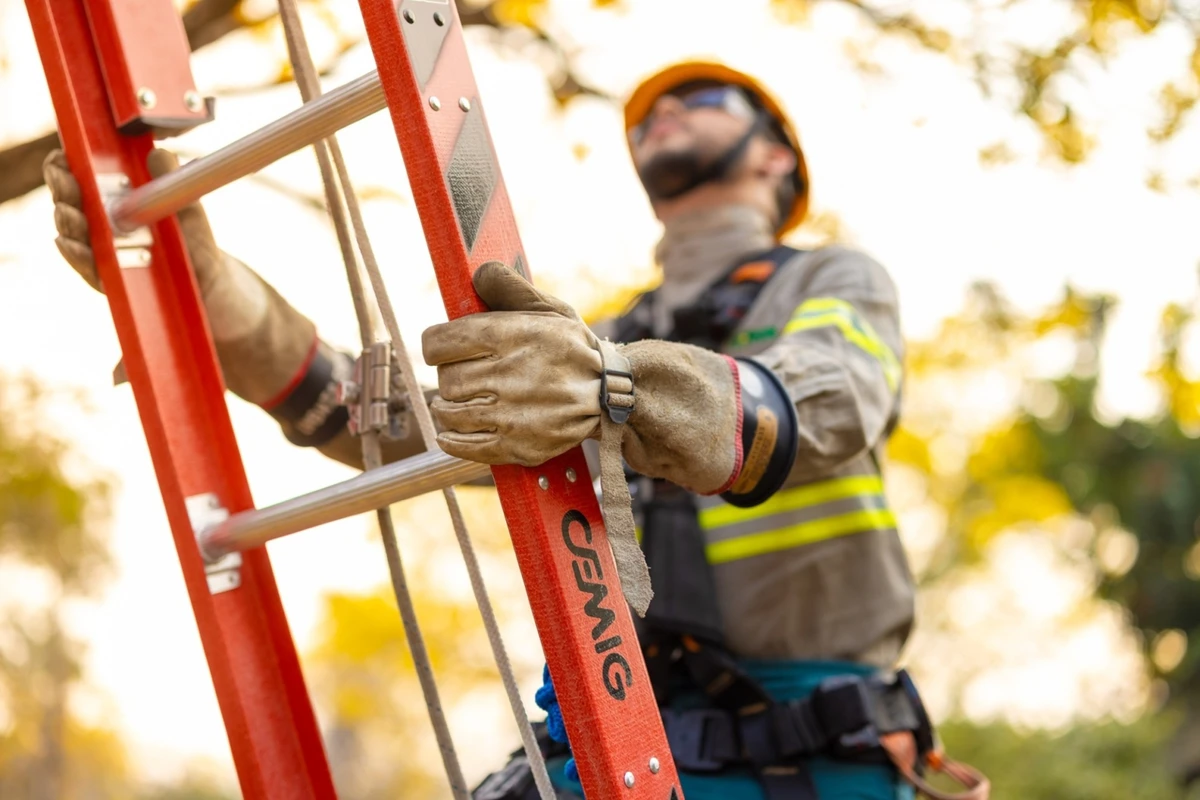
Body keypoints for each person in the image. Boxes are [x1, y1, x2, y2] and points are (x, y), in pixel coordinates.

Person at [45, 59, 985, 800]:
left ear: (777, 156)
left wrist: (612, 388)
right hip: (627, 728)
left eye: (698, 100)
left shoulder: (831, 283)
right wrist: (233, 316)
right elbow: (420, 429)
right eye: (643, 117)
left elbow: (821, 401)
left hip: (807, 750)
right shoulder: (605, 337)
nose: (660, 115)